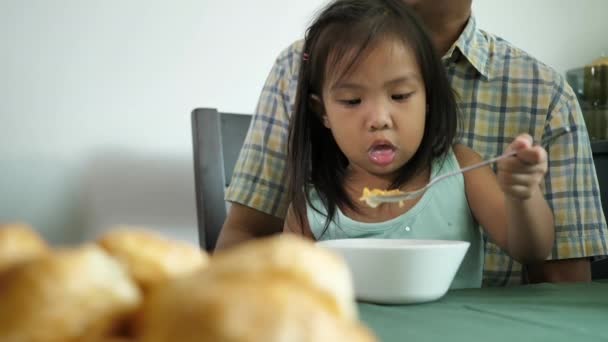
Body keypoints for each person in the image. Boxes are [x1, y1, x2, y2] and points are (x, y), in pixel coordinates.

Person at [221, 0, 608, 286]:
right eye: (352, 101)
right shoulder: (310, 207)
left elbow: (532, 250)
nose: (379, 118)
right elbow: (294, 293)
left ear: (430, 98)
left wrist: (523, 196)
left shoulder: (461, 168)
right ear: (322, 113)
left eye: (401, 96)